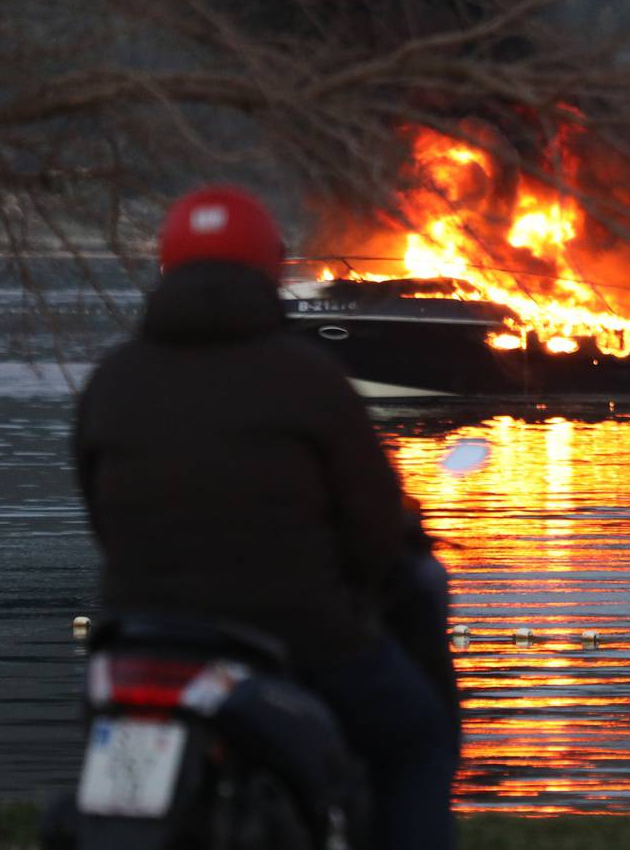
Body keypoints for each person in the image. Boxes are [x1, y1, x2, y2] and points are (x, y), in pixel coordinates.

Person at [71, 185, 456, 850]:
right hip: (294, 637)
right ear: (270, 269)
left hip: (135, 637)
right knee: (416, 737)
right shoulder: (308, 379)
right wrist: (366, 586)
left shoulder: (112, 380)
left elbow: (100, 519)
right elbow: (373, 530)